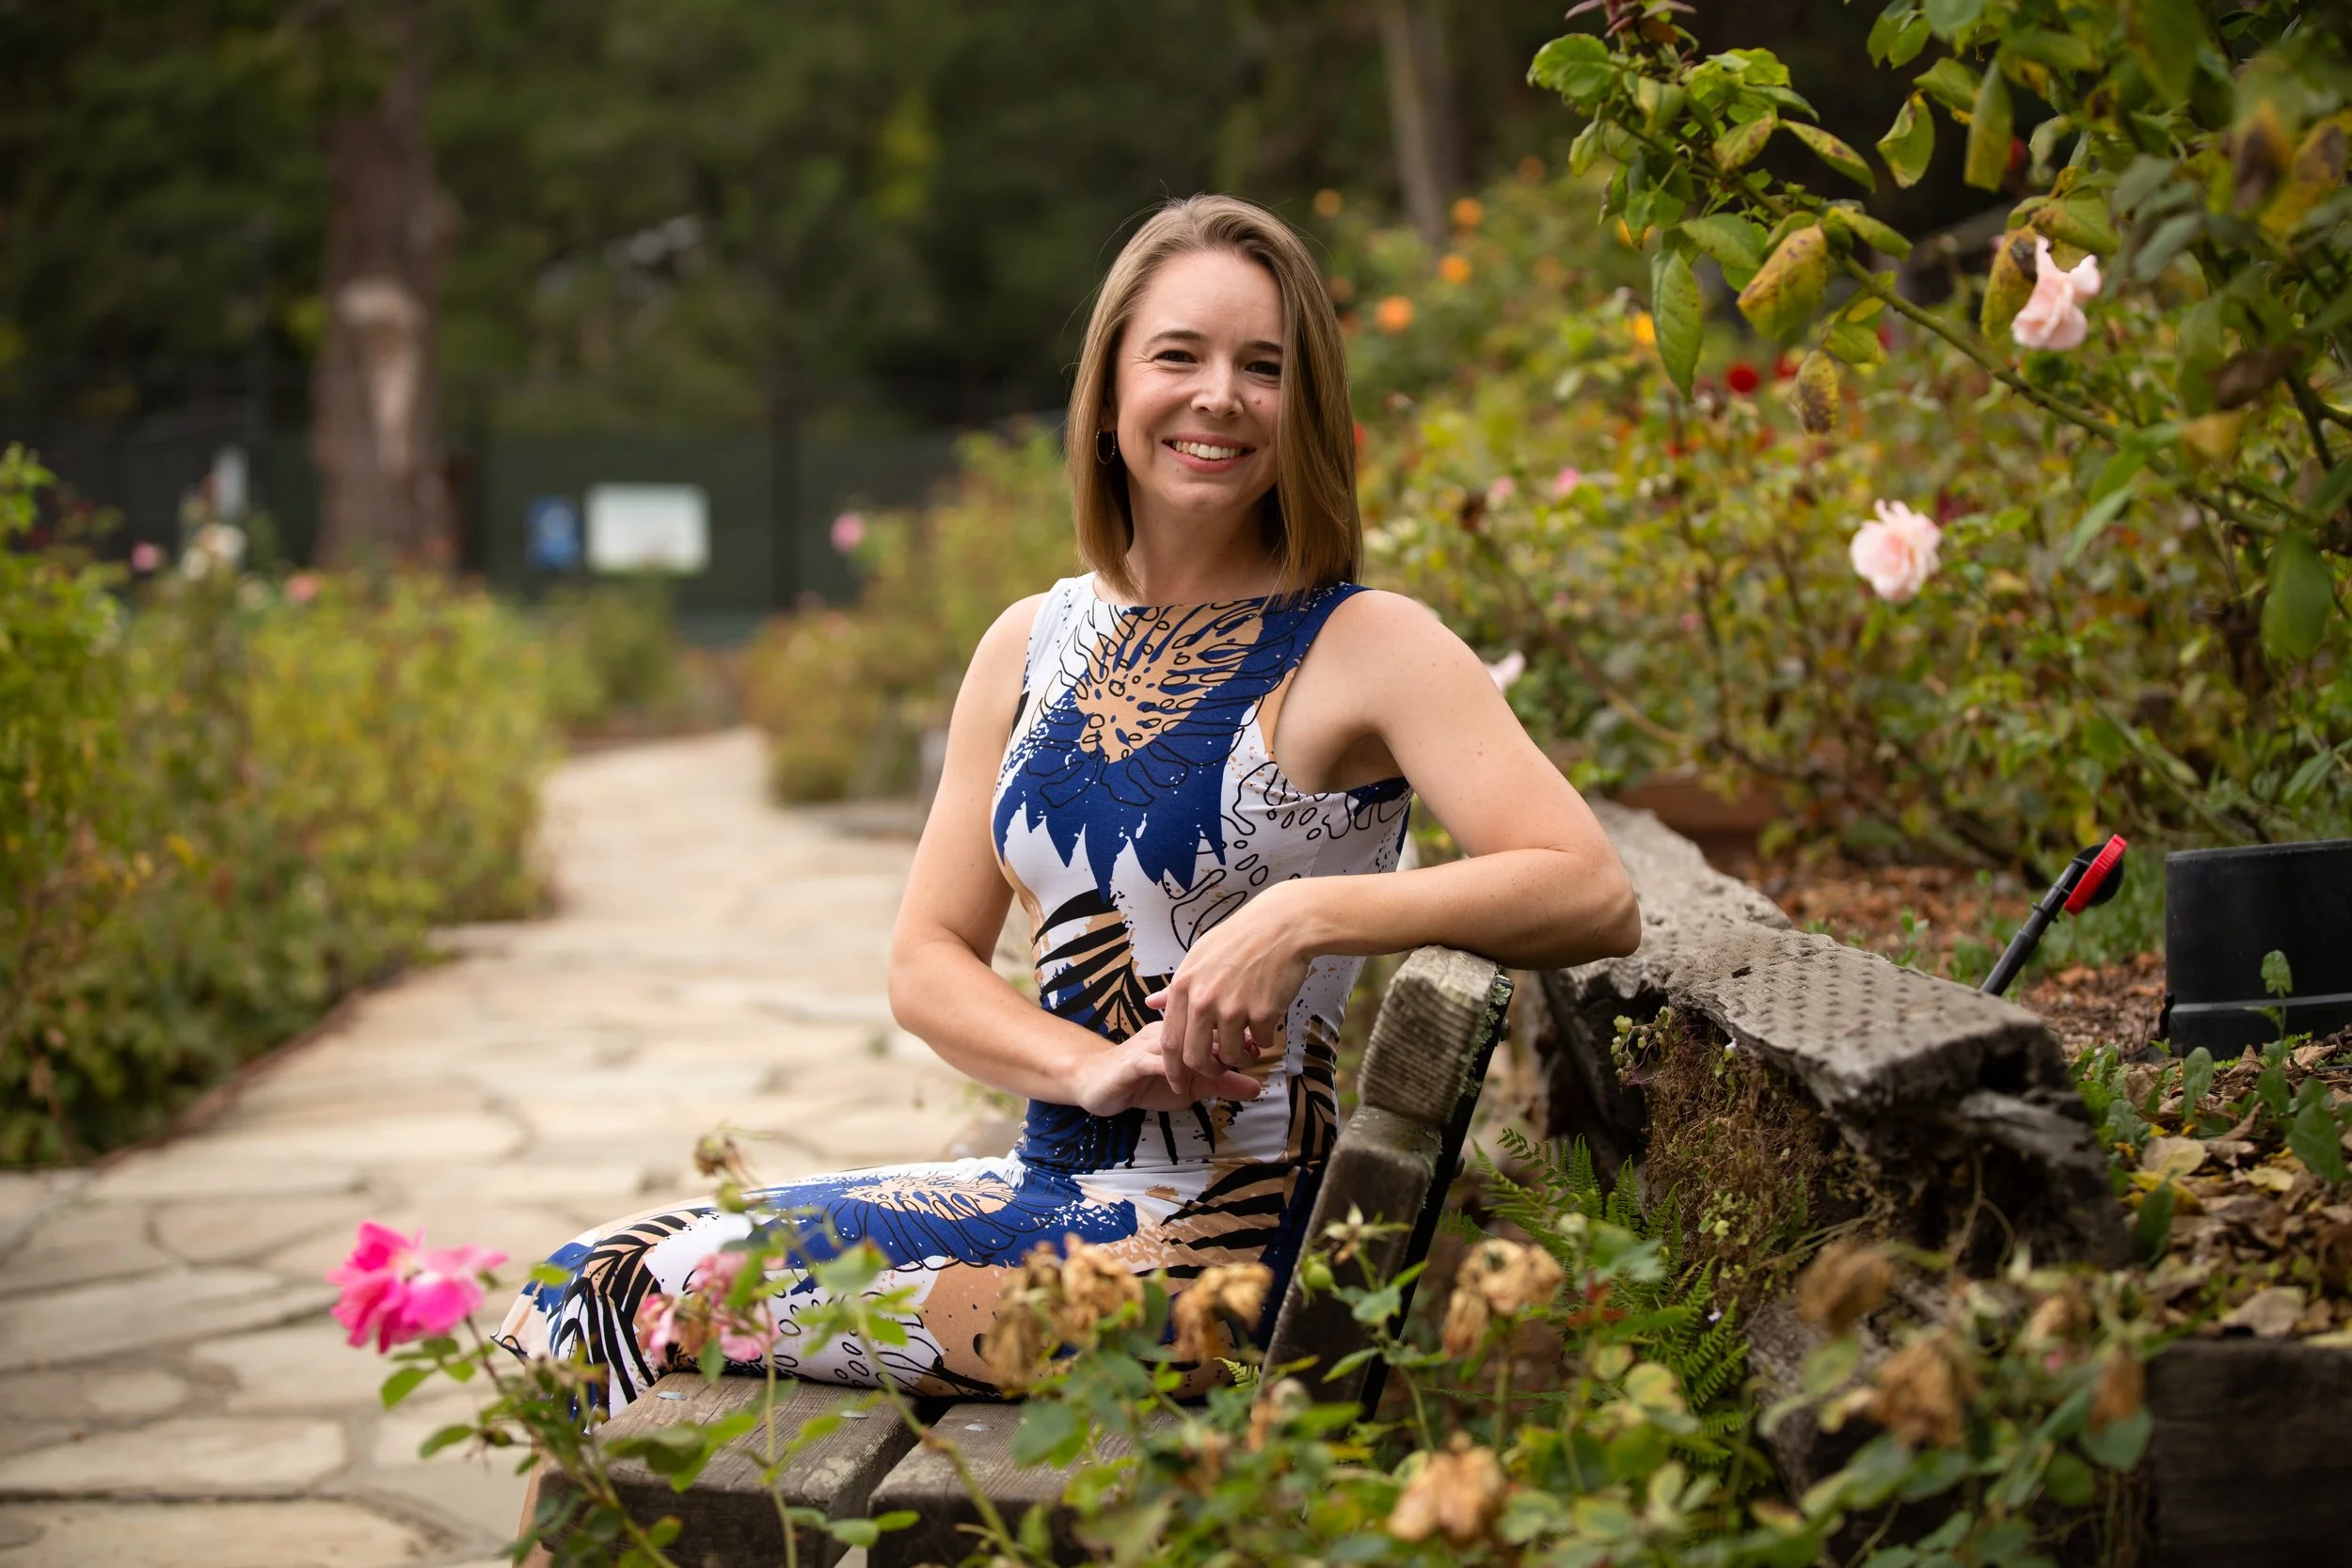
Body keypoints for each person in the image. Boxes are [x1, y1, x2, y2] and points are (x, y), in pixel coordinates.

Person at [496, 193, 1639, 1416]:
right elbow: (927, 959)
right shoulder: (1032, 642)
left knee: (612, 1300)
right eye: (1179, 356)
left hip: (1207, 1262)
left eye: (1265, 366)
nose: (1221, 395)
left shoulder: (1368, 644)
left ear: (1304, 408)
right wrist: (1089, 1067)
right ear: (1106, 397)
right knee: (578, 1289)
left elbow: (1592, 887)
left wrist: (1305, 913)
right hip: (1045, 1197)